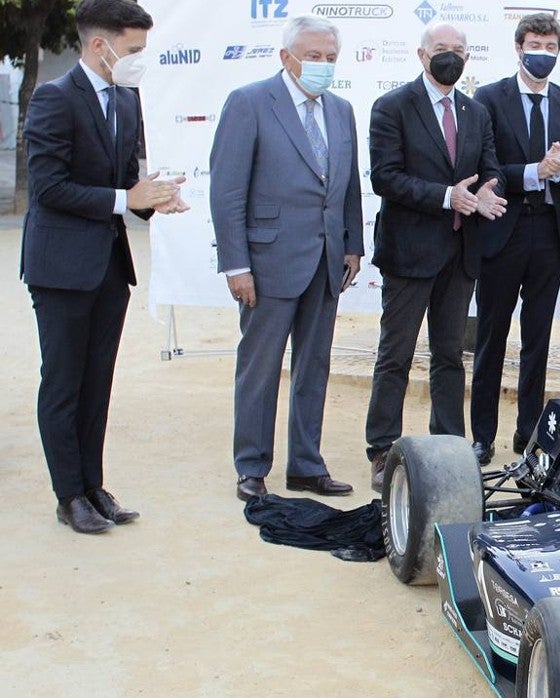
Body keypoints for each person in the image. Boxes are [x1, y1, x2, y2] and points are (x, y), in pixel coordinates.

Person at [22, 0, 187, 534]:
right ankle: (68, 494)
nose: (140, 59)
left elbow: (123, 188)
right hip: (61, 268)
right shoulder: (53, 99)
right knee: (64, 383)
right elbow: (48, 189)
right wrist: (125, 198)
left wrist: (154, 199)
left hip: (109, 268)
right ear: (101, 45)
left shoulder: (125, 98)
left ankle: (94, 486)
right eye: (134, 49)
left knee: (98, 383)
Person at [210, 14, 363, 502]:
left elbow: (348, 185)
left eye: (330, 58)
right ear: (286, 57)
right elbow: (227, 190)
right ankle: (252, 466)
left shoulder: (341, 110)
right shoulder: (250, 103)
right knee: (260, 368)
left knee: (314, 367)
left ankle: (306, 465)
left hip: (326, 262)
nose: (322, 66)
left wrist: (353, 245)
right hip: (268, 263)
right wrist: (237, 265)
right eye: (313, 56)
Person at [364, 22, 506, 490]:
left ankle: (448, 448)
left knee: (449, 356)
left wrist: (487, 195)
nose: (451, 56)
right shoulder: (392, 106)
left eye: (459, 50)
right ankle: (382, 450)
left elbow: (491, 170)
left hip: (461, 252)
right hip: (409, 252)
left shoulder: (475, 110)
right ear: (422, 56)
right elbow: (385, 177)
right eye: (442, 49)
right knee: (396, 355)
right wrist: (447, 197)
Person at [469, 14, 560, 465]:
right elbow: (486, 165)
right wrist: (530, 173)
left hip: (550, 234)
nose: (542, 52)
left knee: (537, 339)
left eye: (551, 45)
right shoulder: (489, 98)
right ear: (519, 48)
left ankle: (529, 433)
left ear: (559, 50)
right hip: (503, 228)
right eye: (535, 44)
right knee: (491, 336)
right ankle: (482, 436)